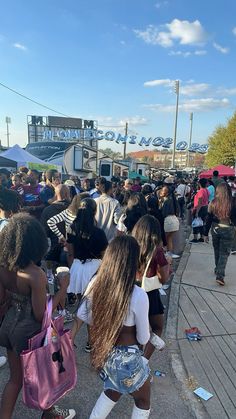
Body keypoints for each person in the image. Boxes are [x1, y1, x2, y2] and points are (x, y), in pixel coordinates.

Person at [0, 214, 75, 419]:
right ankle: (51, 412)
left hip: (7, 328)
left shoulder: (3, 267)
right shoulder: (35, 274)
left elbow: (2, 300)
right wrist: (63, 288)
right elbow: (40, 313)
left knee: (14, 380)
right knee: (45, 374)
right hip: (29, 332)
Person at [73, 236, 151, 418]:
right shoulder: (138, 295)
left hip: (104, 355)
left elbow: (82, 315)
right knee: (143, 399)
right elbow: (143, 339)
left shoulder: (95, 284)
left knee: (112, 388)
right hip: (127, 360)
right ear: (131, 263)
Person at [67, 198, 108, 351]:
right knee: (93, 309)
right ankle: (90, 342)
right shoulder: (99, 232)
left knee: (82, 307)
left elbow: (70, 254)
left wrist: (73, 271)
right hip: (94, 269)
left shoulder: (72, 227)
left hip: (77, 267)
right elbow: (105, 257)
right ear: (94, 211)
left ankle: (73, 339)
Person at [132, 215, 170, 360]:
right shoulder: (157, 250)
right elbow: (163, 278)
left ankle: (133, 357)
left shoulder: (130, 244)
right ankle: (143, 361)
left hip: (130, 291)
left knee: (134, 328)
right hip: (150, 294)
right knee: (157, 328)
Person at [204, 183, 236, 286]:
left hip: (215, 228)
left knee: (217, 250)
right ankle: (220, 275)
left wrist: (205, 233)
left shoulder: (213, 203)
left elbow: (208, 218)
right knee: (224, 253)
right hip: (228, 228)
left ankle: (218, 268)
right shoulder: (233, 203)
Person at [41, 184, 71, 264]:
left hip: (54, 249)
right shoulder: (75, 209)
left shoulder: (47, 210)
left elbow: (44, 232)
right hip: (71, 250)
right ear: (67, 194)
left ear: (56, 194)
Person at [158, 186, 180, 258]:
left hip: (168, 221)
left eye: (163, 190)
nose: (161, 191)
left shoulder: (167, 201)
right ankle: (170, 253)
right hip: (174, 220)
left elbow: (164, 213)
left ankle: (164, 253)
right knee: (169, 238)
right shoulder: (172, 199)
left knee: (164, 239)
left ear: (166, 193)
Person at [190, 178, 210, 244]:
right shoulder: (206, 190)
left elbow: (200, 201)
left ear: (199, 183)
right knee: (202, 223)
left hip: (199, 208)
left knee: (195, 223)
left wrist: (197, 211)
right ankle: (201, 237)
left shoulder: (201, 191)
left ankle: (195, 238)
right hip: (205, 207)